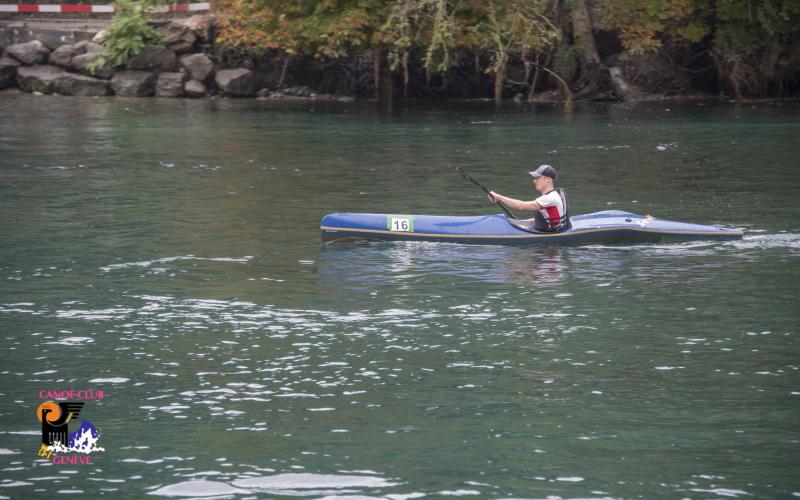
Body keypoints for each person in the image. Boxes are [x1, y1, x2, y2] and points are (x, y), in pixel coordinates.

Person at [488, 164, 569, 232]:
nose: (534, 181)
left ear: (548, 180)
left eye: (537, 178)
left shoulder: (550, 198)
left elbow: (521, 206)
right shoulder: (551, 196)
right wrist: (520, 222)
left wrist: (498, 197)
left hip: (551, 237)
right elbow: (544, 219)